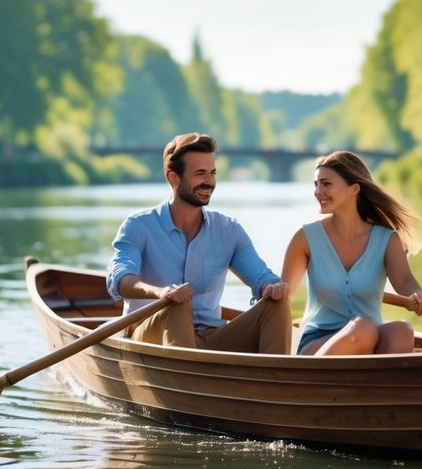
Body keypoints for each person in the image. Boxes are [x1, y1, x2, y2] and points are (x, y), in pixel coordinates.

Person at [106, 132, 291, 353]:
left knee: (276, 304)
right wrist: (161, 292)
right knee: (178, 302)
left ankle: (273, 384)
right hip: (150, 337)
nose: (209, 181)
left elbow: (260, 275)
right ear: (174, 178)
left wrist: (272, 285)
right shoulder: (138, 225)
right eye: (200, 173)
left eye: (212, 173)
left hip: (211, 338)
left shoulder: (229, 230)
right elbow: (120, 279)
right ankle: (185, 381)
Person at [281, 150, 422, 355]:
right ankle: (311, 379)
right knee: (364, 328)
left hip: (368, 339)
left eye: (326, 184)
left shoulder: (387, 239)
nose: (318, 191)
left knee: (402, 330)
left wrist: (418, 295)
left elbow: (406, 282)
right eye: (316, 184)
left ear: (354, 189)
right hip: (318, 343)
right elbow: (283, 297)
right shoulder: (305, 238)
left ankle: (377, 386)